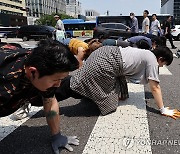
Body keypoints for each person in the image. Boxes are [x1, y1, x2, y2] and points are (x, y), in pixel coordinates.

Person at [55, 46, 180, 119]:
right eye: (162, 65)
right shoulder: (152, 60)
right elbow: (155, 87)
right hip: (105, 63)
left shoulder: (146, 53)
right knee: (109, 105)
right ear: (161, 59)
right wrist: (163, 109)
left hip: (103, 53)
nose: (160, 67)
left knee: (86, 82)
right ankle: (53, 94)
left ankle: (62, 86)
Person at [0, 39, 80, 154]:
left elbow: (50, 101)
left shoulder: (39, 63)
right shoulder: (6, 81)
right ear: (33, 72)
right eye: (56, 80)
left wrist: (56, 135)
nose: (58, 84)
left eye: (60, 79)